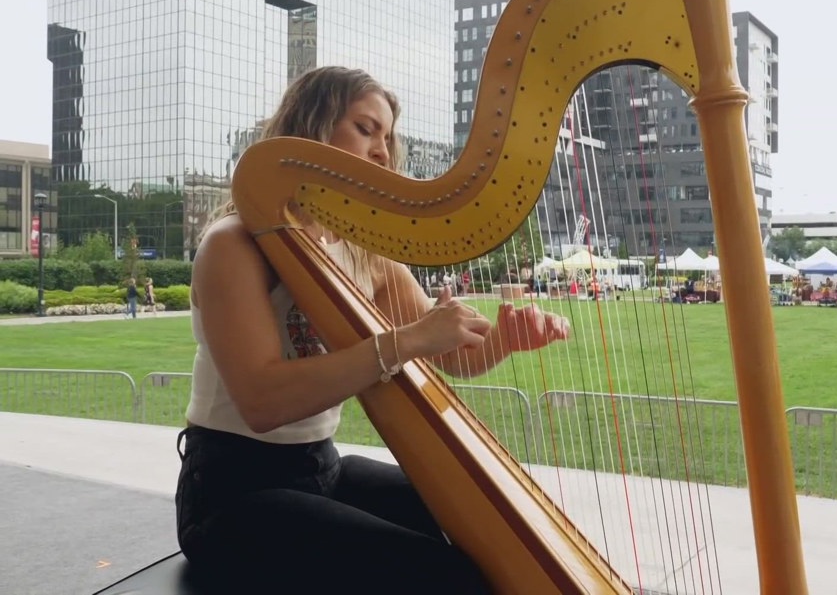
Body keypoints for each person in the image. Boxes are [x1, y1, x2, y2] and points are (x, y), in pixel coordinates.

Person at [177, 66, 571, 594]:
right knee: (447, 578)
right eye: (366, 129)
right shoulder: (234, 245)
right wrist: (404, 341)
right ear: (311, 131)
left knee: (478, 524)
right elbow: (262, 402)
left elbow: (450, 354)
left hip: (323, 469)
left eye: (387, 137)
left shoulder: (361, 247)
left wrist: (505, 339)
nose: (383, 152)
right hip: (231, 493)